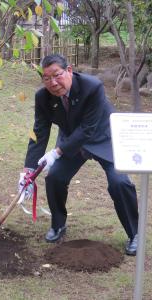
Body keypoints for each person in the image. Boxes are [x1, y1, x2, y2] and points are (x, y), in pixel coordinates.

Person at [18, 54, 139, 256]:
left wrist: (57, 152)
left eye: (57, 75)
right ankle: (58, 225)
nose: (53, 83)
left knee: (119, 183)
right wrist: (28, 171)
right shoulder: (42, 97)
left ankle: (134, 234)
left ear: (70, 70)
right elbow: (39, 132)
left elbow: (88, 128)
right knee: (55, 177)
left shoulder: (92, 87)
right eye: (46, 78)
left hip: (103, 137)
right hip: (70, 141)